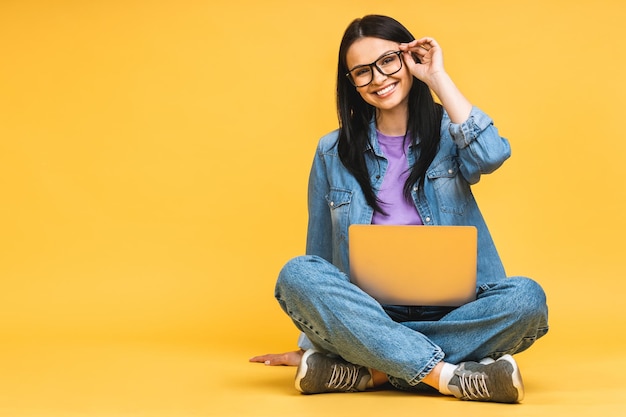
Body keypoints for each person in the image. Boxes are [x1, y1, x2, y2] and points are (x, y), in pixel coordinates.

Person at [250, 14, 548, 404]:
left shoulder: (449, 133)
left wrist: (438, 77)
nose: (378, 78)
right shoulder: (330, 151)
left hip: (455, 314)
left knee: (526, 298)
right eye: (362, 72)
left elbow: (490, 154)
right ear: (351, 84)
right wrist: (316, 339)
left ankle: (371, 370)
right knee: (297, 273)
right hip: (369, 316)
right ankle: (449, 377)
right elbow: (319, 253)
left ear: (409, 59)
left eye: (388, 61)